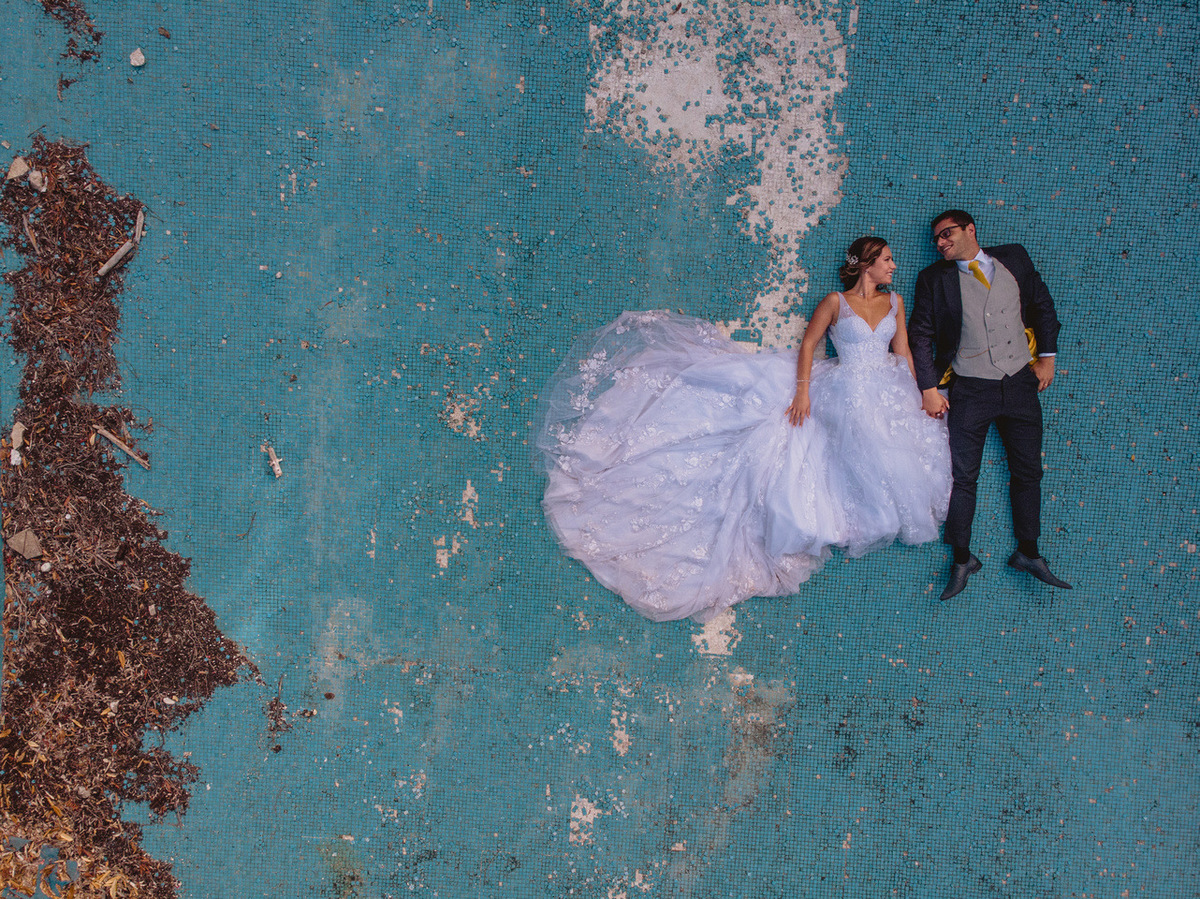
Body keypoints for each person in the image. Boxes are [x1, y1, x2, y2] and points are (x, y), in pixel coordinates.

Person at [536, 237, 950, 622]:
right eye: (887, 260)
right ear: (866, 265)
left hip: (885, 387)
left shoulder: (894, 302)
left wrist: (919, 393)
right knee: (821, 443)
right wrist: (802, 393)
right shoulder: (835, 302)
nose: (894, 266)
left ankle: (861, 510)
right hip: (843, 386)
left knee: (894, 455)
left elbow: (904, 352)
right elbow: (809, 345)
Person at [909, 209, 1071, 601]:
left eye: (947, 234)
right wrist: (929, 388)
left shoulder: (1014, 257)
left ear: (970, 230)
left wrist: (1047, 357)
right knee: (964, 478)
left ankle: (1029, 553)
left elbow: (1043, 306)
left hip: (1019, 383)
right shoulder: (934, 279)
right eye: (936, 239)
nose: (940, 243)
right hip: (969, 389)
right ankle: (963, 558)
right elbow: (920, 336)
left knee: (1029, 472)